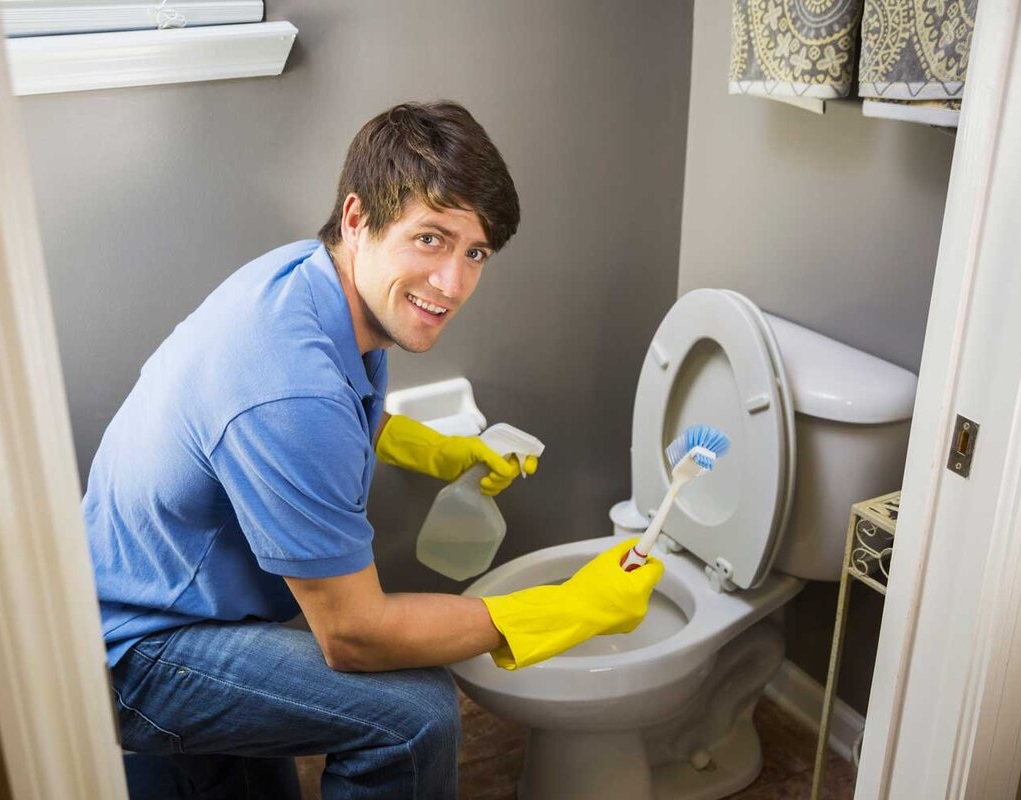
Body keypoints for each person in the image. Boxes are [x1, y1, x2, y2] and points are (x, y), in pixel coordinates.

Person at [85, 100, 665, 799]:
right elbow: (354, 635)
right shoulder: (288, 386)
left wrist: (442, 450)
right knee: (414, 715)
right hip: (142, 651)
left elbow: (347, 413)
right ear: (359, 218)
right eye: (431, 239)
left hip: (159, 598)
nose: (453, 284)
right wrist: (568, 608)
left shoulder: (312, 283)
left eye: (474, 252)